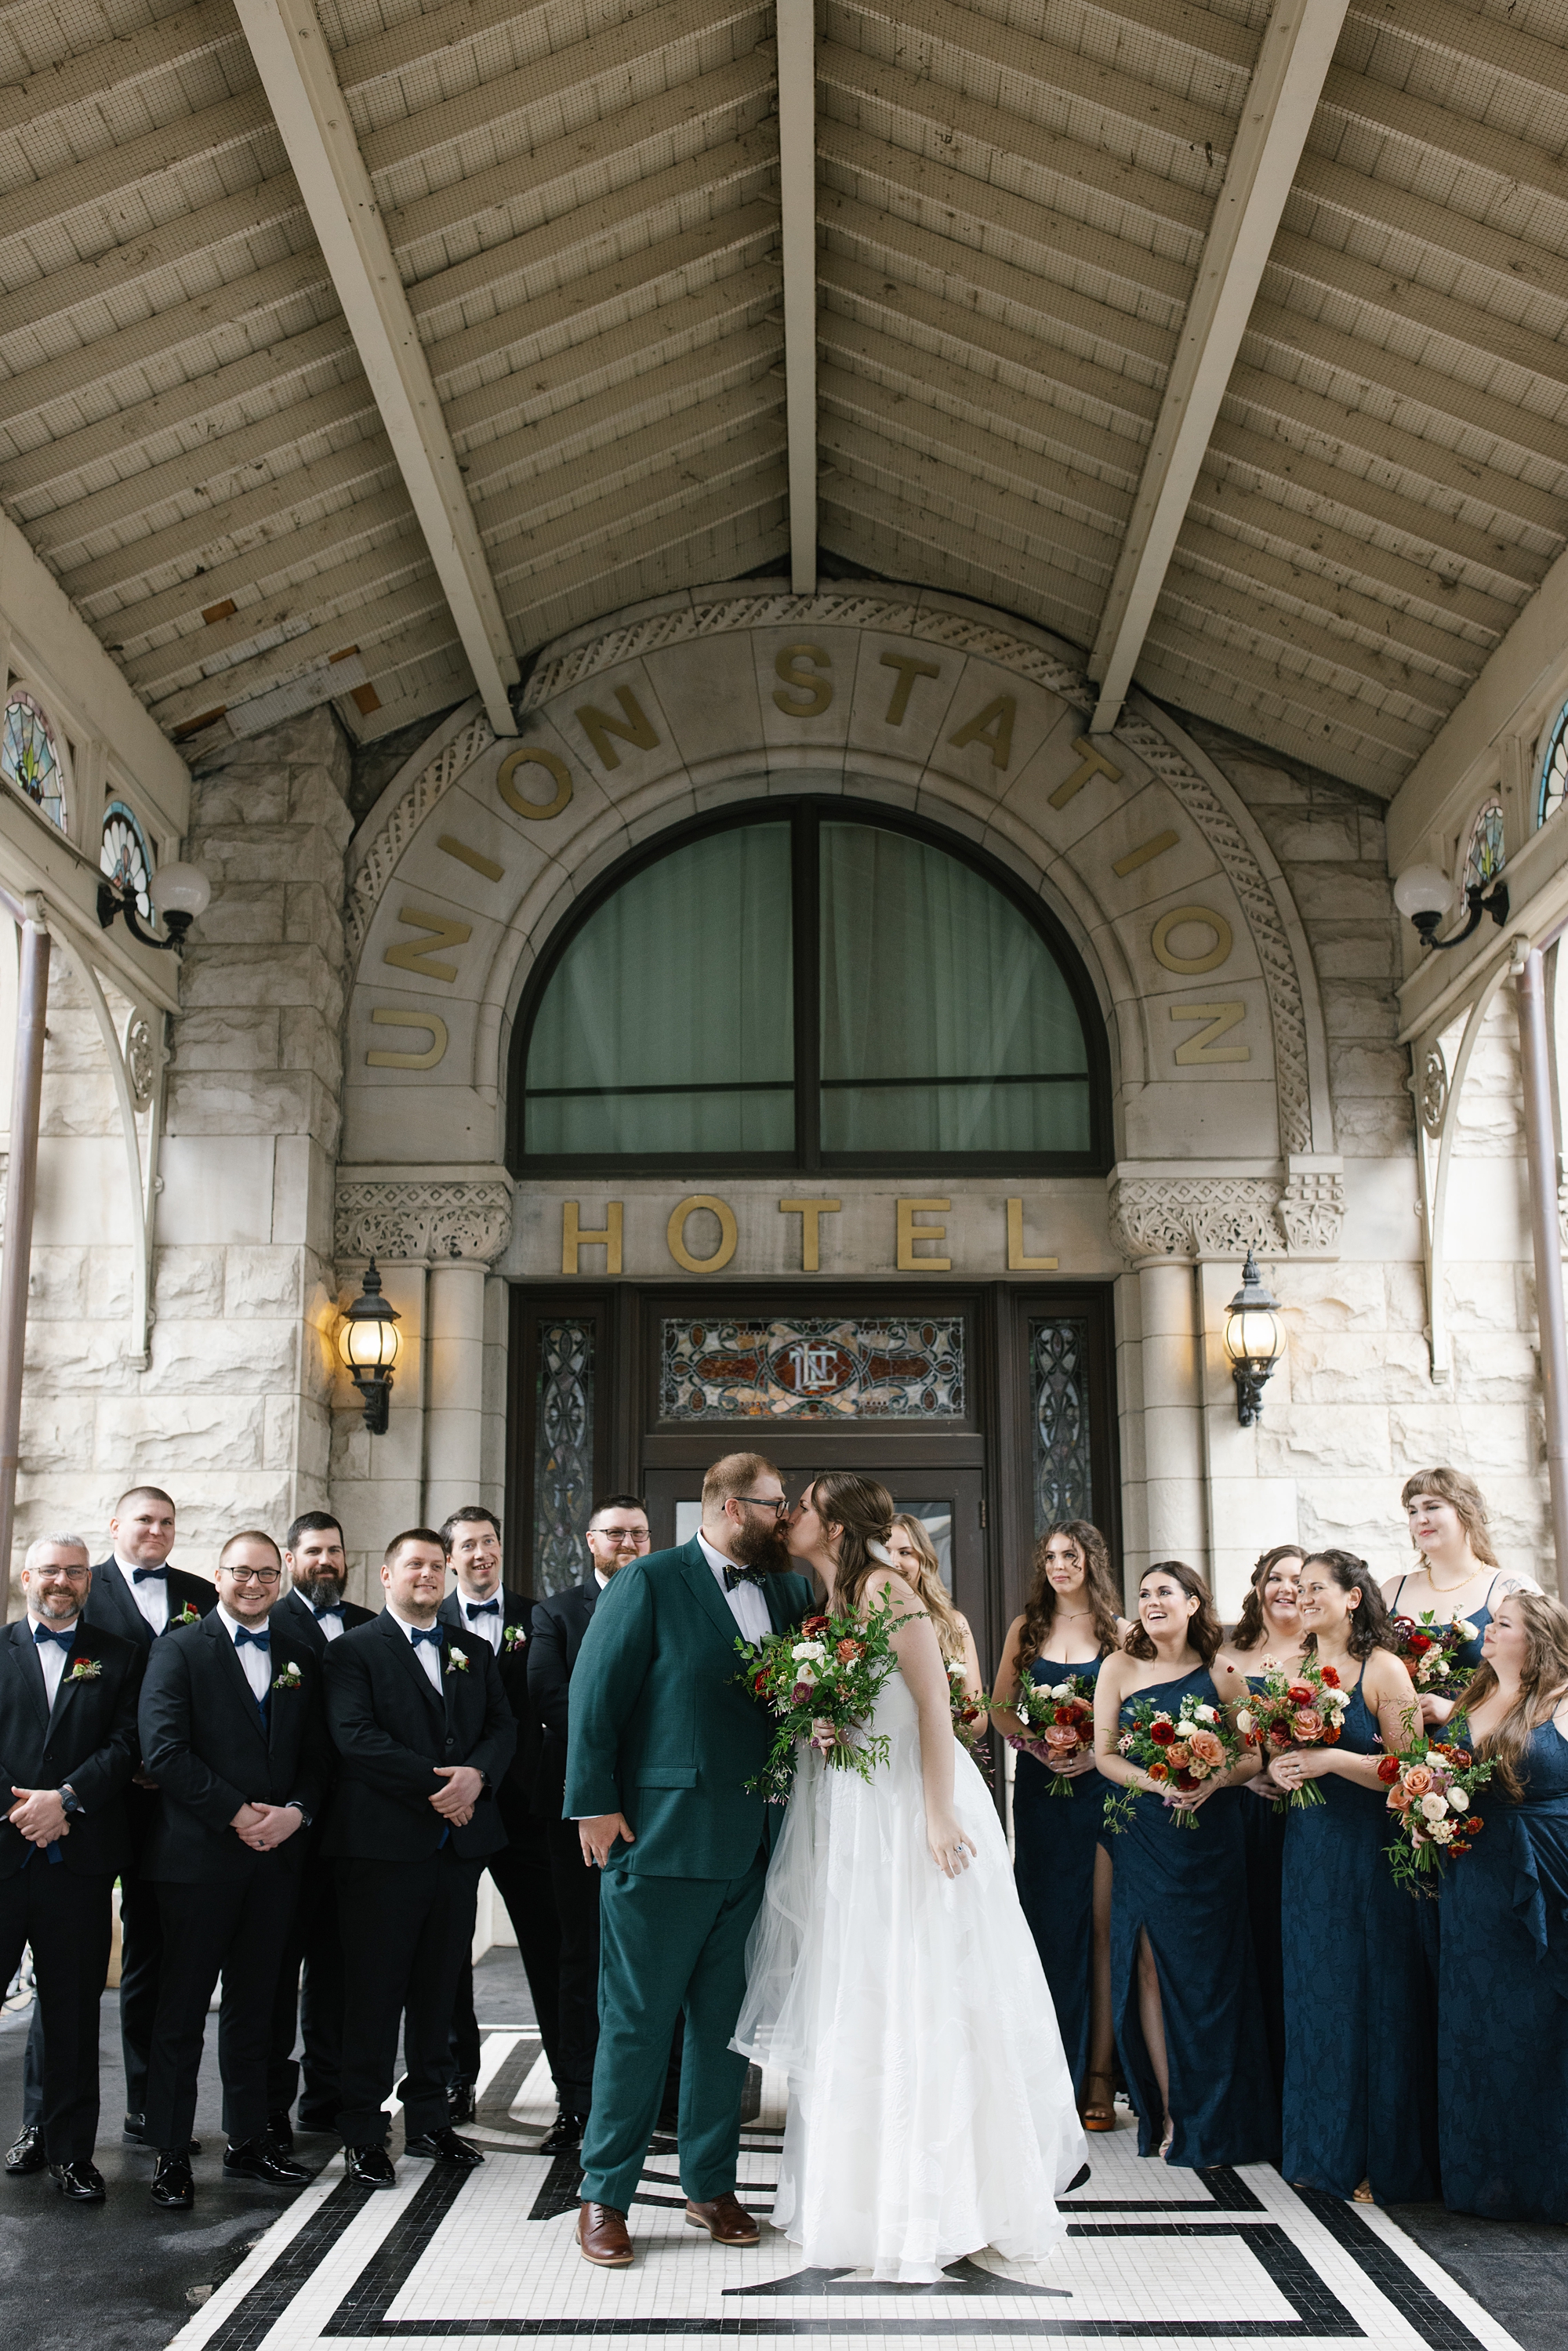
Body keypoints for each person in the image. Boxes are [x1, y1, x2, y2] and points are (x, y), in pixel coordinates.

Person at [735, 1473, 1084, 2281]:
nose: (788, 1515)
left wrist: (934, 1814)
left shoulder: (887, 1586)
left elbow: (933, 1705)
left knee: (929, 1981)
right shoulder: (830, 1599)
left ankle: (951, 2197)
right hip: (859, 1802)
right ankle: (865, 2199)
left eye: (802, 1506)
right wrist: (824, 1713)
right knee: (866, 1989)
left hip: (912, 1800)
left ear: (834, 1525)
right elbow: (870, 1697)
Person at [564, 1453, 815, 2270]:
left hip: (756, 1841)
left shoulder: (786, 1590)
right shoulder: (650, 1580)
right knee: (637, 2023)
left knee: (723, 2029)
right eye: (777, 1505)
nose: (785, 1518)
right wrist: (593, 1803)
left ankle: (710, 2184)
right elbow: (595, 1695)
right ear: (733, 1506)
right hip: (661, 1839)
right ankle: (605, 2192)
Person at [137, 1530, 328, 2211]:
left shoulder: (302, 1654)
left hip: (276, 1862)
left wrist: (295, 1812)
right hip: (197, 1861)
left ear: (280, 1579)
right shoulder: (179, 1648)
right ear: (217, 1575)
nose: (254, 1583)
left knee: (260, 2008)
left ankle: (250, 2140)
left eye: (266, 1573)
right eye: (241, 1572)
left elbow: (317, 1754)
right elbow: (163, 1750)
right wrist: (237, 1812)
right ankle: (168, 2149)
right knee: (181, 2010)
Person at [323, 1528, 517, 2188]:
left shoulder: (471, 1648)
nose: (429, 1574)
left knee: (441, 1988)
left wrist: (478, 1777)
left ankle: (432, 2117)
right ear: (386, 1575)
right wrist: (443, 1786)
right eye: (415, 1565)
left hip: (455, 1850)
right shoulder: (352, 1651)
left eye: (437, 1565)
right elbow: (356, 1738)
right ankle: (362, 2129)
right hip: (382, 1848)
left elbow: (502, 1726)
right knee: (374, 1992)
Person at [1269, 1550, 1437, 2205]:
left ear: (1352, 1598)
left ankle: (1377, 2156)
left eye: (1316, 1587)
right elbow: (1284, 1759)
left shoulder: (1383, 1668)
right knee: (1317, 1992)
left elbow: (1412, 1769)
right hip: (1308, 1852)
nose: (1303, 1595)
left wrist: (1335, 1757)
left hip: (1369, 1855)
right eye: (1297, 1586)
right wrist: (1283, 1767)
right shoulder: (1292, 1668)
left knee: (1372, 1995)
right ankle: (1320, 2148)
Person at [1094, 1562, 1275, 2168]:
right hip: (1146, 1834)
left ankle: (1217, 2111)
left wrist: (1212, 1779)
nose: (1150, 1602)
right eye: (1143, 1594)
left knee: (1211, 1975)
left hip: (1209, 1837)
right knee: (1148, 1965)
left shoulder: (1223, 1672)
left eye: (1164, 1592)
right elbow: (1102, 1755)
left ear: (1195, 1603)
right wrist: (1158, 1781)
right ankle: (1172, 2111)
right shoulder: (1118, 1668)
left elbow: (1252, 1757)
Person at [72, 1486, 216, 2150]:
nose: (156, 1530)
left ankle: (148, 2105)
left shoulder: (197, 1593)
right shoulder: (85, 1586)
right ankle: (47, 2120)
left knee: (156, 1954)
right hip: (100, 1803)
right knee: (71, 1964)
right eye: (144, 1520)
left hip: (176, 1807)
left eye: (166, 1521)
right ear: (115, 1526)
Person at [0, 1536, 140, 2200]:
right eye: (50, 1569)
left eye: (75, 1571)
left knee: (74, 2015)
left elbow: (128, 1742)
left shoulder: (118, 1656)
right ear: (26, 1575)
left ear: (90, 1579)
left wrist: (67, 1799)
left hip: (78, 1863)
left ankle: (71, 2152)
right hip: (4, 1856)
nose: (62, 1580)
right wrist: (23, 1809)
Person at [1436, 1591, 1568, 2223]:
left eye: (1502, 1624)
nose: (1487, 1630)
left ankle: (1548, 2178)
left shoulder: (1563, 1700)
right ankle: (1489, 2176)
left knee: (1540, 2020)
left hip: (1545, 1873)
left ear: (1535, 1638)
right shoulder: (1474, 1694)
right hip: (1473, 1878)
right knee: (1477, 2016)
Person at [527, 1494, 654, 2155]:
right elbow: (553, 1695)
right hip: (576, 1805)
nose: (628, 1542)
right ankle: (577, 2100)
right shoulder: (553, 1613)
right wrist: (632, 1741)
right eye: (616, 1533)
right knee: (580, 1954)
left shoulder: (668, 1599)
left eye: (638, 1532)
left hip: (655, 1806)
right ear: (590, 1540)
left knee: (650, 1954)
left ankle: (654, 2094)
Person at [990, 1520, 1123, 2132]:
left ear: (1092, 1560)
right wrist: (1036, 1746)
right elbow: (997, 1708)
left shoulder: (1120, 1634)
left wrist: (1097, 1753)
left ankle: (1098, 2077)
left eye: (1070, 1555)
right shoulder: (1028, 1627)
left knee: (1097, 1927)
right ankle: (1044, 2073)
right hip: (1043, 1791)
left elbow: (1141, 1713)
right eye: (1050, 1556)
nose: (1059, 1565)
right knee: (1043, 1926)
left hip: (1100, 1789)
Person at [436, 1505, 561, 2128]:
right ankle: (457, 2079)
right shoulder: (429, 1617)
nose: (481, 1553)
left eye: (490, 1541)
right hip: (452, 1807)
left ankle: (574, 2083)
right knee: (449, 1949)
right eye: (468, 1545)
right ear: (449, 1557)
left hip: (524, 1807)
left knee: (549, 1946)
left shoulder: (537, 1616)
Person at [266, 1511, 373, 2145]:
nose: (326, 1560)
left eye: (335, 1549)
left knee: (340, 1968)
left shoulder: (365, 1624)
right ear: (291, 1556)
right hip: (287, 1827)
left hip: (355, 1827)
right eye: (314, 1551)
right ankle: (273, 2105)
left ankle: (327, 2093)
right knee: (277, 1970)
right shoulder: (269, 1620)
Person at [1219, 1544, 1306, 2102]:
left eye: (1300, 1579)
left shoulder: (1329, 1649)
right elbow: (1217, 1732)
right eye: (1276, 1577)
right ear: (1258, 1585)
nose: (1287, 1588)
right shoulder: (1230, 1652)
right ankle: (1259, 2089)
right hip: (1246, 1813)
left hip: (1310, 1813)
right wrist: (1246, 1773)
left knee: (1297, 1942)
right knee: (1248, 1941)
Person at [1385, 1468, 1537, 1700]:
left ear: (1467, 1512)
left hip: (1481, 1735)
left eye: (1432, 1507)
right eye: (1412, 1511)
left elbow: (1544, 1678)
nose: (1420, 1519)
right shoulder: (1392, 1590)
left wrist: (1457, 1714)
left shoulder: (1508, 1586)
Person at [885, 1515, 987, 1725]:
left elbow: (977, 1720)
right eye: (885, 1552)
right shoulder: (859, 1622)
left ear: (924, 1561)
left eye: (905, 1552)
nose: (894, 1562)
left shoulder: (952, 1623)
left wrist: (936, 1728)